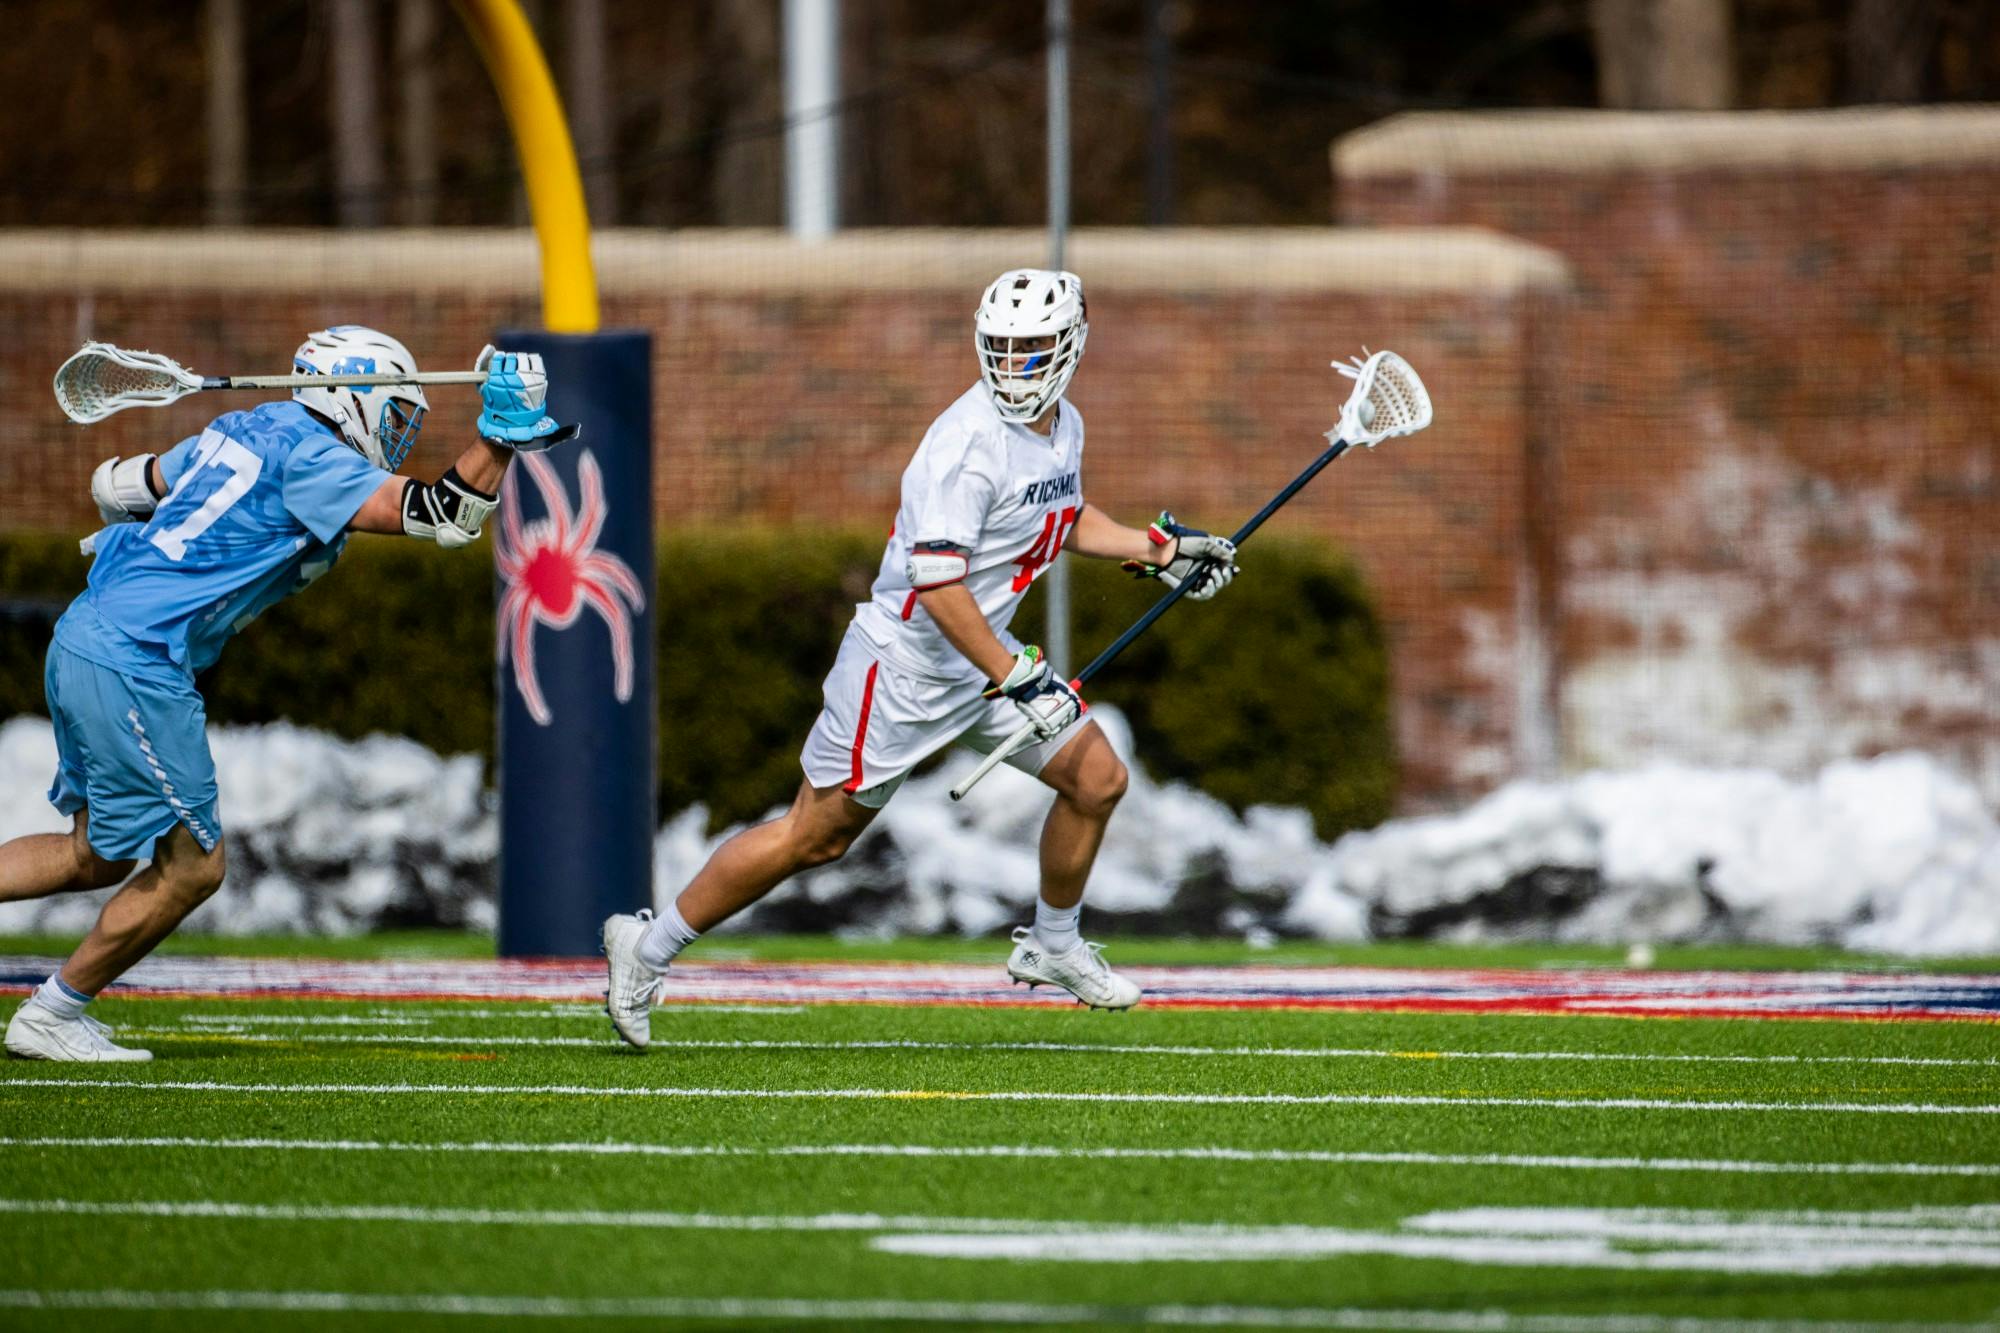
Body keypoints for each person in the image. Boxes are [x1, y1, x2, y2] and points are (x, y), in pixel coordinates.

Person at [602, 269, 1238, 1048]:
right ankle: (648, 945)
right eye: (1002, 350)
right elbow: (938, 586)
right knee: (816, 836)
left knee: (1095, 778)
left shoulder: (1062, 423)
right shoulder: (963, 446)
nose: (1015, 367)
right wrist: (1017, 676)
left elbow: (1061, 517)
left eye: (1033, 350)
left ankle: (1055, 943)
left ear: (1071, 346)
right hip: (903, 668)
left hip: (982, 661)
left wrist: (1160, 550)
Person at [2, 327, 578, 1062]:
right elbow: (444, 514)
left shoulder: (240, 427)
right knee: (195, 867)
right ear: (352, 395)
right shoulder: (314, 456)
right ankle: (52, 1011)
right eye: (394, 413)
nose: (398, 432)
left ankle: (57, 1008)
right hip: (135, 660)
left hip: (84, 634)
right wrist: (499, 437)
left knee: (97, 855)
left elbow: (120, 483)